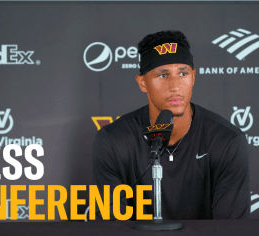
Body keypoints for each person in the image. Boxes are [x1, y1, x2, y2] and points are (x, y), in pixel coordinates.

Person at [92, 30, 250, 220]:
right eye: (163, 75)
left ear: (193, 77)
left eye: (183, 73)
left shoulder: (226, 140)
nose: (175, 86)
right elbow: (111, 227)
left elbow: (230, 230)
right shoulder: (113, 140)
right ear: (143, 83)